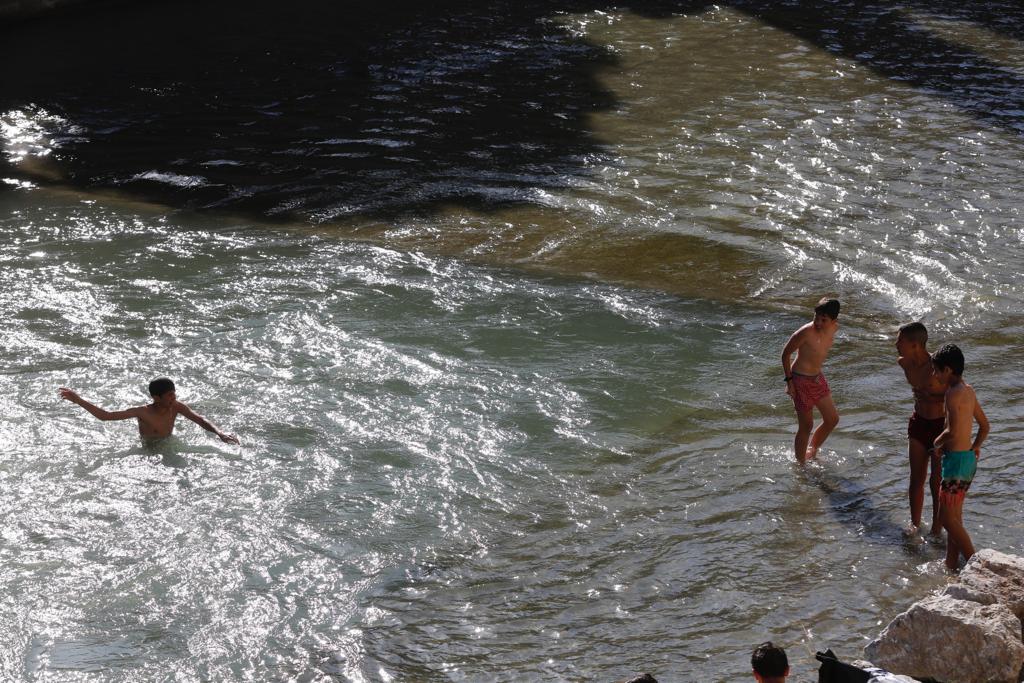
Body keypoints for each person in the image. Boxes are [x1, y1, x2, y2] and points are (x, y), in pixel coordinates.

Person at [931, 344, 988, 571]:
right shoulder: (969, 390)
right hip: (967, 460)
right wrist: (975, 448)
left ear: (948, 370)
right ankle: (951, 563)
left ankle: (976, 566)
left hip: (954, 462)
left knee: (946, 519)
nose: (934, 375)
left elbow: (952, 431)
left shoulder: (952, 393)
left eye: (936, 370)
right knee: (955, 517)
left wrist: (936, 443)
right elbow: (985, 426)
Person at [59, 377, 240, 444]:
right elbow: (106, 416)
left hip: (169, 444)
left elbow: (199, 419)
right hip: (149, 450)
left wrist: (220, 433)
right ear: (156, 397)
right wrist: (78, 400)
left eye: (174, 394)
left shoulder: (176, 407)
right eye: (169, 395)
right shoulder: (142, 412)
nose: (173, 398)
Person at [896, 322, 947, 536]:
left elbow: (958, 394)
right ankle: (915, 524)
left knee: (936, 481)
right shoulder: (904, 363)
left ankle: (937, 527)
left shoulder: (938, 365)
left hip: (939, 427)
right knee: (916, 478)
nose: (896, 344)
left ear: (915, 344)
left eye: (900, 340)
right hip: (918, 422)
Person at [781, 297, 840, 463]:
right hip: (799, 380)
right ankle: (800, 465)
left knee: (832, 419)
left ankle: (812, 450)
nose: (818, 323)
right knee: (806, 425)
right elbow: (785, 354)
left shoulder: (834, 328)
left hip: (817, 378)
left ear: (834, 321)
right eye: (816, 317)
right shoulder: (805, 332)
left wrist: (825, 302)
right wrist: (789, 381)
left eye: (824, 320)